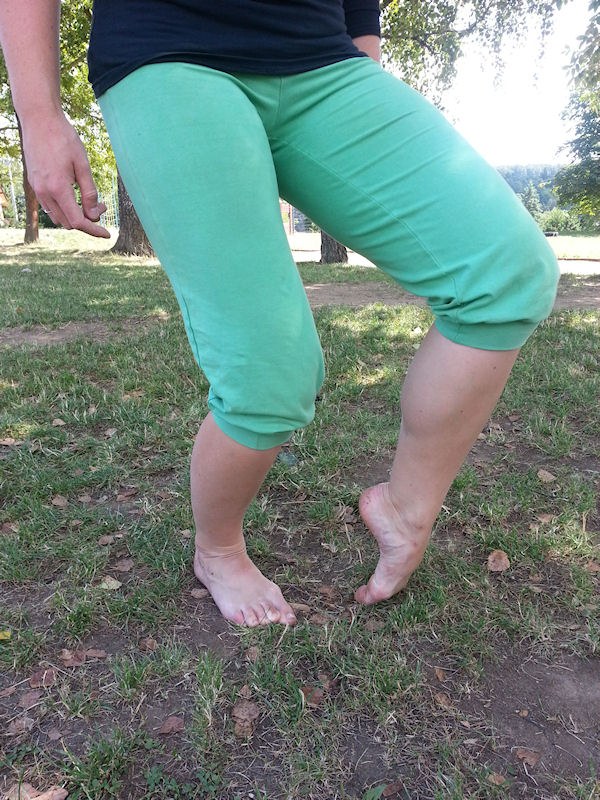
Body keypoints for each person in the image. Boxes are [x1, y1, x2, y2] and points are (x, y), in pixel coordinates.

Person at [0, 1, 559, 629]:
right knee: (269, 375)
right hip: (167, 52)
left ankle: (405, 511)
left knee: (506, 273)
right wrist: (39, 114)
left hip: (324, 58)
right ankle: (217, 550)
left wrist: (363, 62)